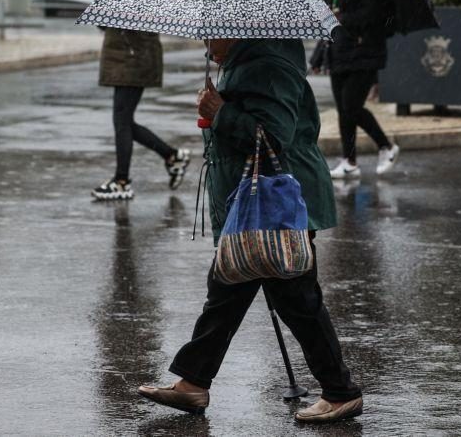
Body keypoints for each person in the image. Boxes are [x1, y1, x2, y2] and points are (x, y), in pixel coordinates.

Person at [137, 37, 364, 424]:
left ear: (239, 32)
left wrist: (221, 111)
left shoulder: (270, 68)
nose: (206, 40)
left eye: (213, 34)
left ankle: (340, 392)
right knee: (226, 292)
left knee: (296, 298)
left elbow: (274, 136)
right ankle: (193, 383)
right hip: (250, 205)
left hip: (275, 204)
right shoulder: (245, 64)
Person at [93, 0, 189, 201]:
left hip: (134, 59)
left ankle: (122, 180)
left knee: (122, 120)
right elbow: (104, 24)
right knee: (123, 121)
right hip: (128, 59)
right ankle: (171, 156)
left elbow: (128, 20)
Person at [310, 0, 398, 179]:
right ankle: (349, 161)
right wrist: (318, 58)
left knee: (352, 107)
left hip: (364, 54)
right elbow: (331, 25)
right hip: (340, 55)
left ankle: (386, 146)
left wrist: (343, 16)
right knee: (343, 111)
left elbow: (372, 16)